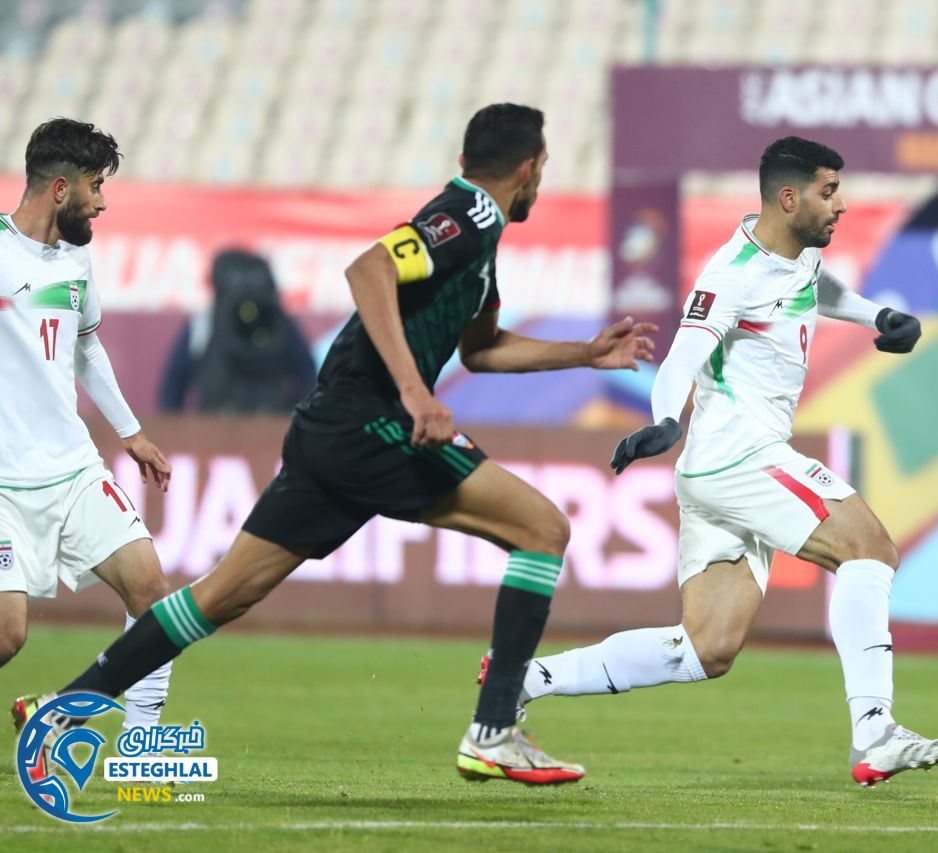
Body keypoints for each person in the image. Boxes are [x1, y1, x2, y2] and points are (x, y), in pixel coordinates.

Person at [17, 104, 656, 785]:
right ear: (527, 170)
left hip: (332, 431)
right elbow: (368, 269)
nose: (541, 182)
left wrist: (583, 353)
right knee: (543, 528)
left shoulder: (483, 240)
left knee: (220, 596)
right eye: (544, 169)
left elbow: (484, 348)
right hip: (371, 421)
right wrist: (414, 392)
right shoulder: (464, 218)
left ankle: (60, 711)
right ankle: (494, 729)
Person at [493, 136, 938, 786]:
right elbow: (684, 355)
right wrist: (663, 419)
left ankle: (524, 678)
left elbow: (814, 286)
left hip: (719, 470)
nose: (842, 206)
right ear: (789, 196)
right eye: (830, 192)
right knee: (870, 551)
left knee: (706, 647)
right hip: (739, 455)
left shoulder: (791, 257)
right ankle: (875, 730)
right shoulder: (732, 273)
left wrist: (876, 313)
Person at [2, 119, 176, 778]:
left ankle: (140, 745)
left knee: (155, 596)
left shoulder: (75, 261)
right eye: (96, 186)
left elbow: (87, 345)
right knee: (7, 633)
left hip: (72, 470)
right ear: (58, 187)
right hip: (3, 485)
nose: (102, 201)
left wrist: (130, 432)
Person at [158, 248, 316, 414]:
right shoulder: (280, 322)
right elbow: (310, 379)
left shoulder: (203, 324)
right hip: (264, 425)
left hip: (219, 428)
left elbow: (172, 391)